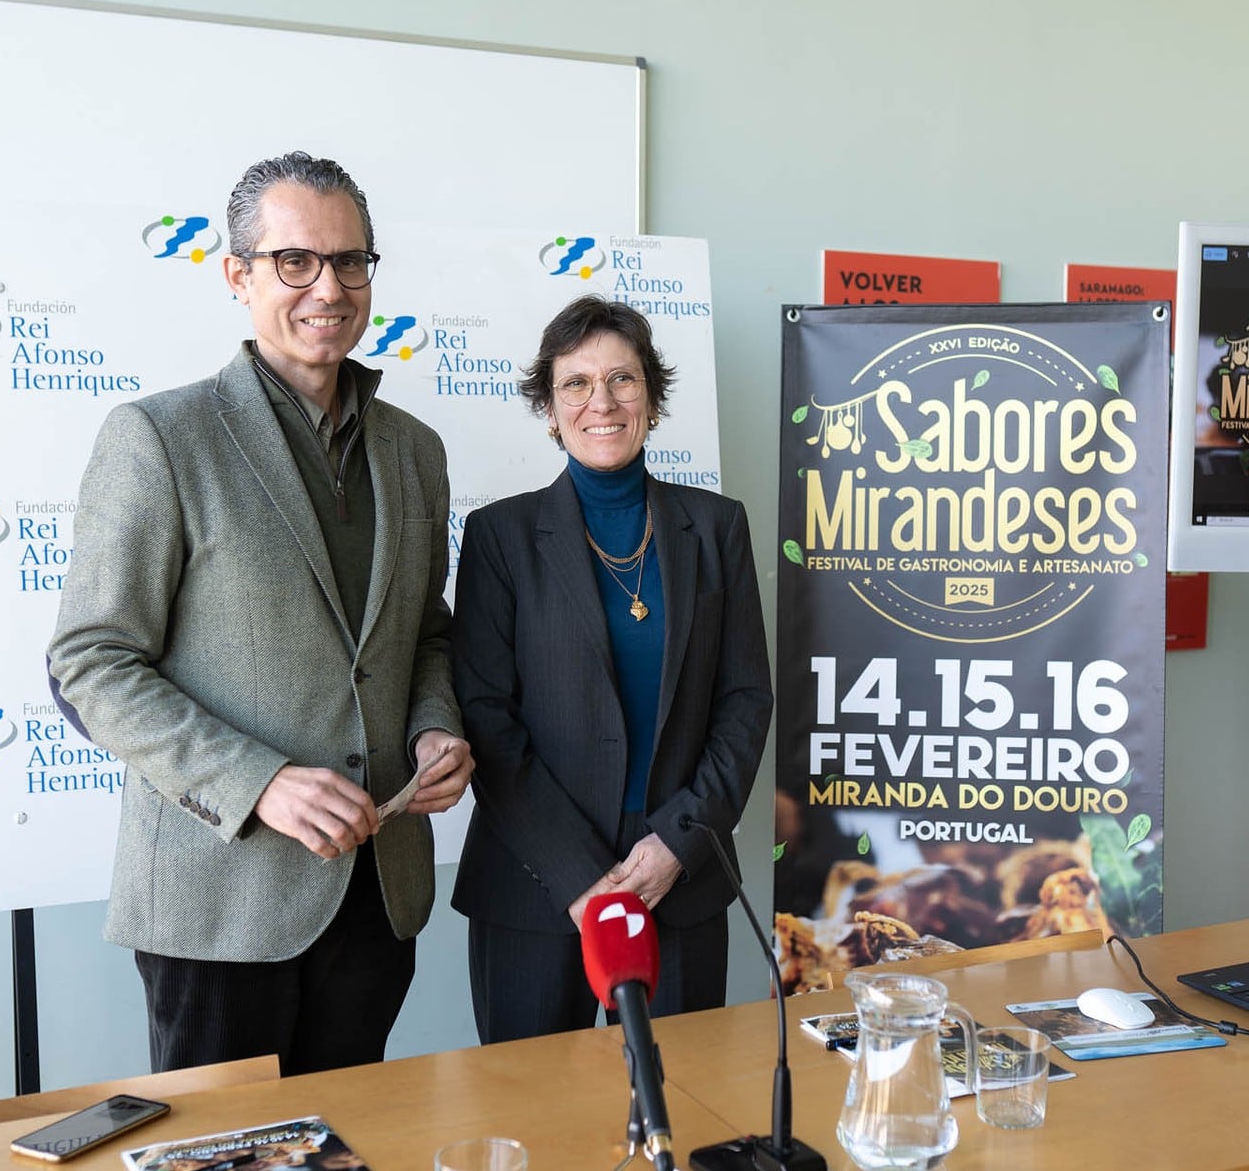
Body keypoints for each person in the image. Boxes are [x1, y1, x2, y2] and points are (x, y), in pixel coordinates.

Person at [47, 151, 473, 1075]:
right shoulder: (159, 437)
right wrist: (261, 782)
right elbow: (89, 662)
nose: (329, 287)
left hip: (377, 894)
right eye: (296, 262)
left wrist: (437, 728)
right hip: (219, 909)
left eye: (351, 261)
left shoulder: (416, 452)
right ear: (237, 275)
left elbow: (424, 635)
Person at [451, 294, 772, 1042]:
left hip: (679, 879)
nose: (602, 402)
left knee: (683, 1107)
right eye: (576, 383)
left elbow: (745, 701)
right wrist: (581, 880)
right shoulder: (499, 536)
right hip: (534, 881)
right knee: (532, 1123)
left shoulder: (717, 528)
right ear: (549, 406)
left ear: (652, 399)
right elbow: (485, 717)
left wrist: (678, 846)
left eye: (623, 380)